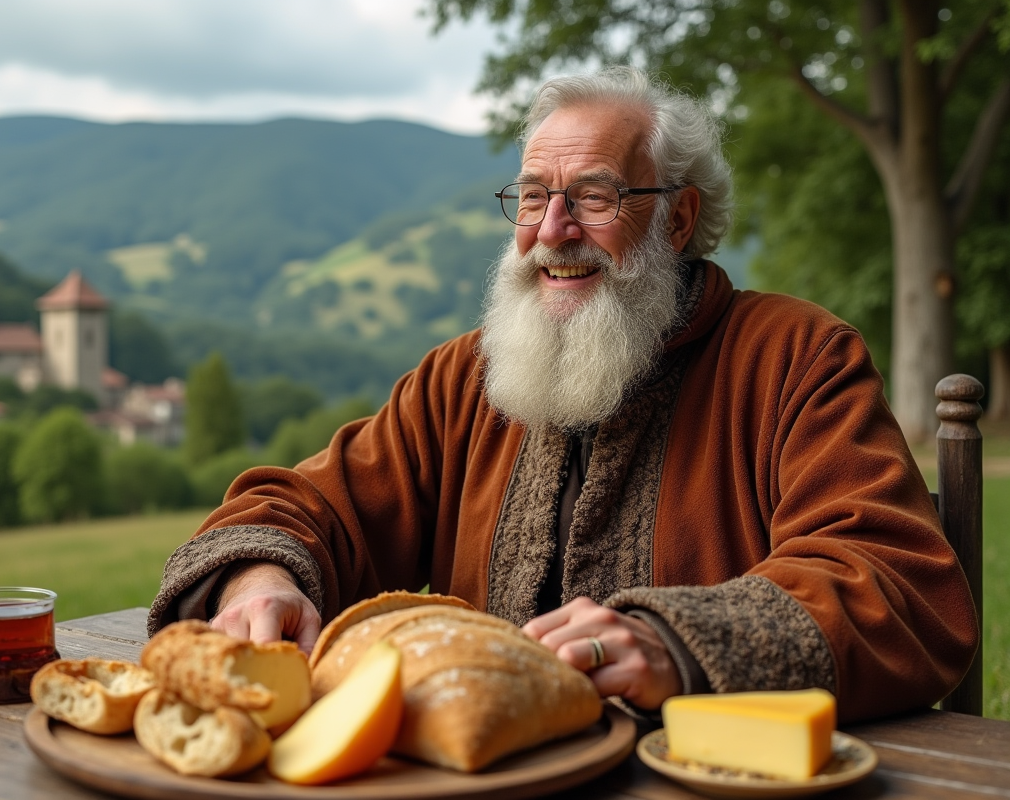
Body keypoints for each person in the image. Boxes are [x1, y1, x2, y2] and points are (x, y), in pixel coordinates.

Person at [149, 67, 978, 722]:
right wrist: (260, 577)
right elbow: (305, 507)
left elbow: (893, 582)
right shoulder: (460, 380)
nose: (552, 231)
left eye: (593, 195)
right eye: (535, 196)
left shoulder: (798, 358)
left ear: (677, 221)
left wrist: (675, 641)